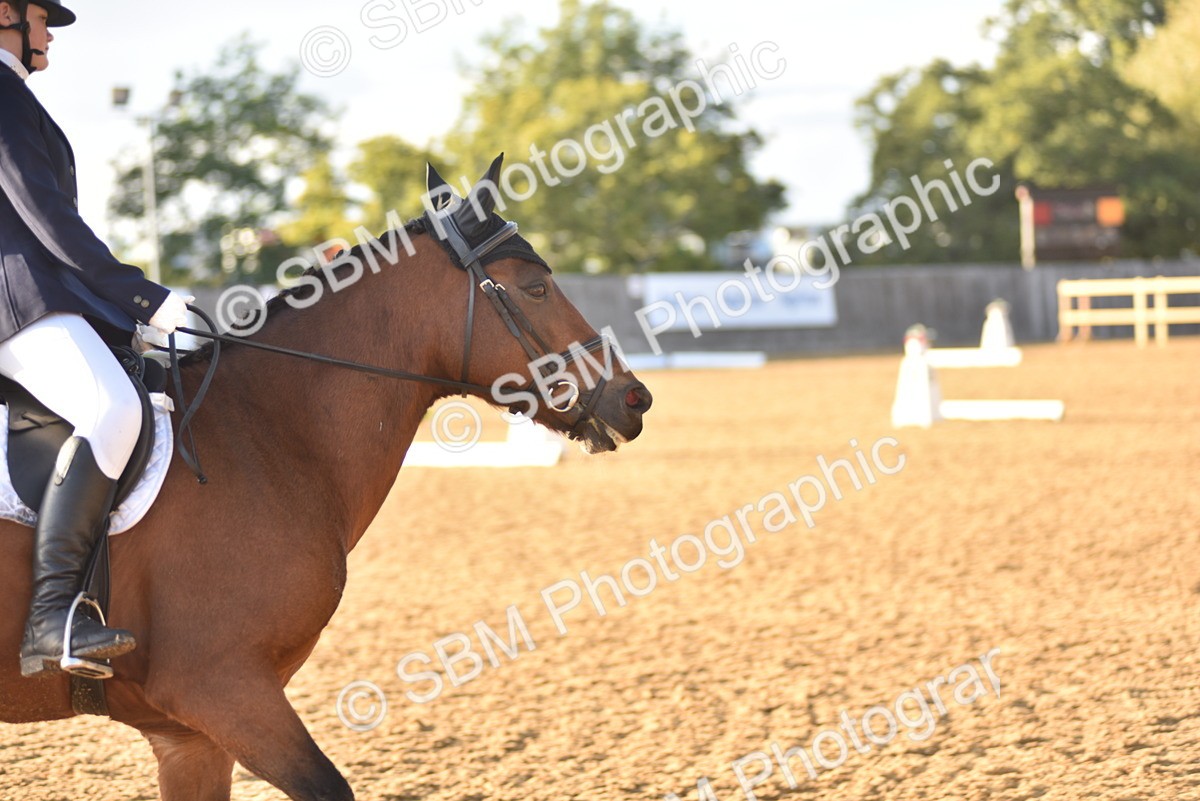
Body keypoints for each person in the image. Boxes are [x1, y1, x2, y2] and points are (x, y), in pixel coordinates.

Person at [0, 0, 189, 677]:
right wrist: (147, 298)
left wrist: (125, 318)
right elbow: (46, 219)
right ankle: (52, 616)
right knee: (112, 408)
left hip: (35, 297)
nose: (49, 32)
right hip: (15, 303)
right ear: (4, 14)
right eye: (41, 18)